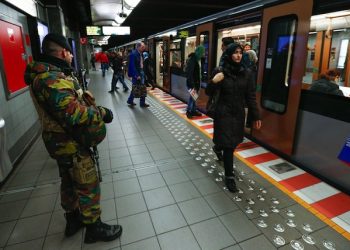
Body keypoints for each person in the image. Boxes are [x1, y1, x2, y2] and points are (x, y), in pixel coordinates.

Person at [24, 33, 122, 243]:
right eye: (69, 53)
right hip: (69, 142)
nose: (71, 57)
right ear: (63, 52)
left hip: (60, 143)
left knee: (68, 181)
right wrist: (102, 113)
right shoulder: (51, 79)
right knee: (87, 182)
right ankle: (94, 227)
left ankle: (73, 220)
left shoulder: (47, 75)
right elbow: (72, 113)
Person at [206, 43, 262, 192]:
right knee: (229, 146)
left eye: (240, 53)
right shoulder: (220, 71)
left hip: (238, 113)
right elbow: (208, 92)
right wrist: (214, 81)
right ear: (229, 54)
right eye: (235, 52)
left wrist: (256, 116)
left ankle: (218, 148)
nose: (238, 55)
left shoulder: (247, 73)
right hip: (223, 112)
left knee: (233, 141)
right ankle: (229, 177)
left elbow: (251, 96)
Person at [127, 41, 149, 107]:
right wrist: (136, 75)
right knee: (136, 88)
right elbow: (132, 66)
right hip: (137, 74)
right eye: (142, 47)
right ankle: (132, 101)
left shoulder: (140, 53)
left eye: (144, 47)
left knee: (142, 87)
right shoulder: (133, 54)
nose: (144, 48)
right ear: (138, 47)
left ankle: (140, 102)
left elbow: (141, 64)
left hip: (141, 72)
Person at [185, 45, 205, 119]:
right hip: (192, 82)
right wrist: (192, 84)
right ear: (199, 52)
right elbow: (189, 73)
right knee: (192, 97)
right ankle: (189, 111)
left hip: (197, 82)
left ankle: (193, 110)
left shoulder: (199, 59)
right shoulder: (192, 60)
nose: (204, 54)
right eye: (203, 52)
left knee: (195, 97)